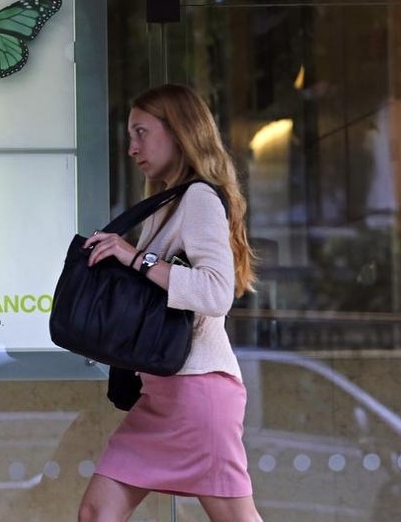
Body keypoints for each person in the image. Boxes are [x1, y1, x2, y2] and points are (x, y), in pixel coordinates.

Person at [78, 83, 263, 522]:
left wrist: (134, 257)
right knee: (95, 513)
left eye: (141, 132)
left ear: (178, 133)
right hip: (166, 391)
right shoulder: (167, 203)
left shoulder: (198, 198)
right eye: (130, 135)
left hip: (197, 392)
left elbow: (216, 293)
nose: (131, 148)